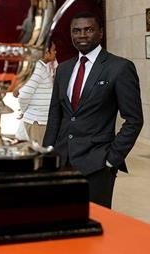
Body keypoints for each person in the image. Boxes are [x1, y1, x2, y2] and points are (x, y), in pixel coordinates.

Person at [43, 11, 143, 208]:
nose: (82, 35)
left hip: (97, 164)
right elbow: (55, 114)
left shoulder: (119, 67)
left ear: (100, 33)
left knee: (94, 219)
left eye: (88, 30)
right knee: (62, 217)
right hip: (62, 160)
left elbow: (134, 119)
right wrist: (48, 154)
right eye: (76, 30)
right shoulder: (63, 69)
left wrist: (112, 159)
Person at [15, 41, 58, 145]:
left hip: (40, 121)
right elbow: (24, 95)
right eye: (53, 50)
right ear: (46, 52)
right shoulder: (37, 69)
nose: (55, 52)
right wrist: (24, 111)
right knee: (38, 152)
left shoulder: (41, 67)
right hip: (36, 122)